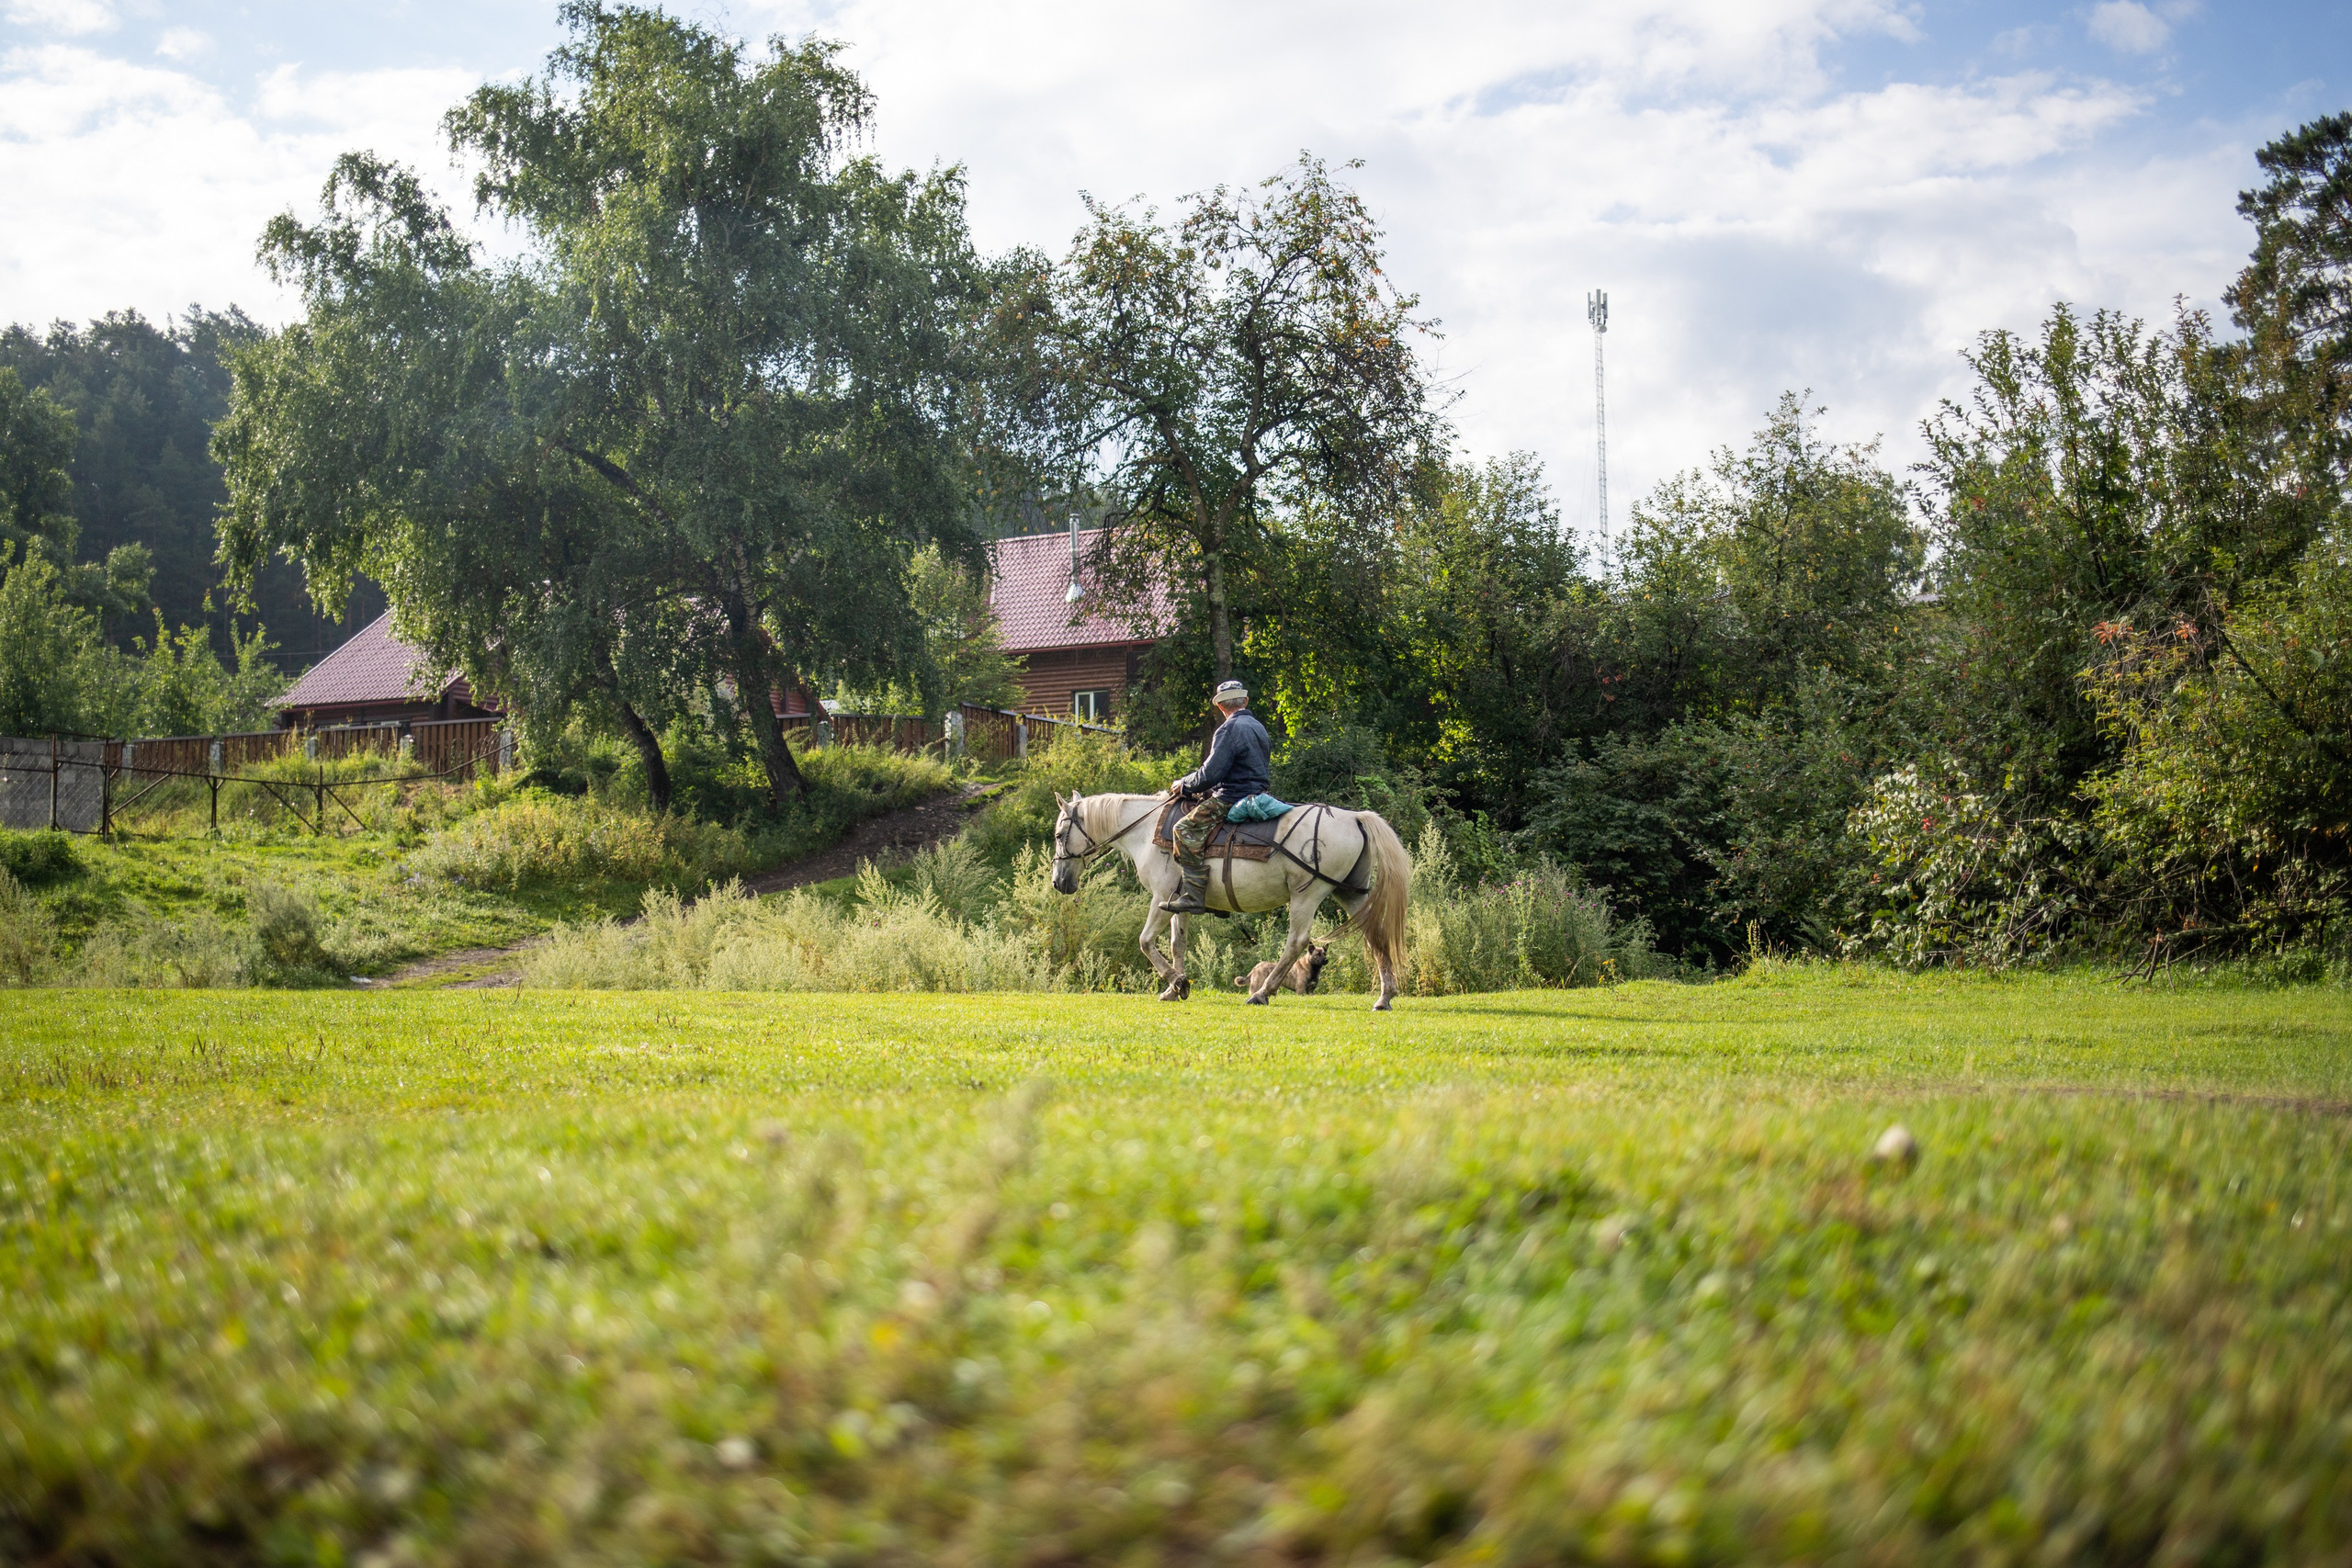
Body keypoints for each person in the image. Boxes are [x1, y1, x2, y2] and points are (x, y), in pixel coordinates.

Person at [1159, 680, 1272, 914]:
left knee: (1184, 829)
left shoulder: (1228, 729)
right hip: (1259, 793)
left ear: (1220, 707)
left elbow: (1210, 773)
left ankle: (1193, 896)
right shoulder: (1258, 726)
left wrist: (1184, 784)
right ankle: (1218, 901)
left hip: (1232, 797)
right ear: (1246, 701)